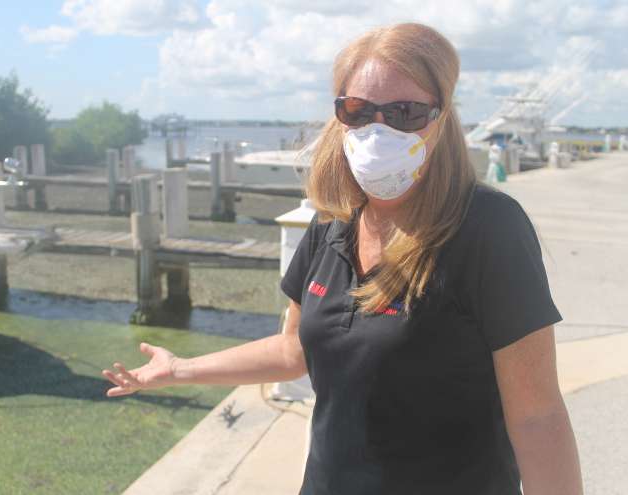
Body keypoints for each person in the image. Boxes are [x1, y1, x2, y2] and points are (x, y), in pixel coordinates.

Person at [103, 23, 583, 495]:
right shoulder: (331, 225)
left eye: (405, 112)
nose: (379, 130)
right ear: (340, 116)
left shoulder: (489, 229)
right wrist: (180, 369)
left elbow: (537, 417)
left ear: (441, 117)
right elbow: (292, 350)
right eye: (357, 110)